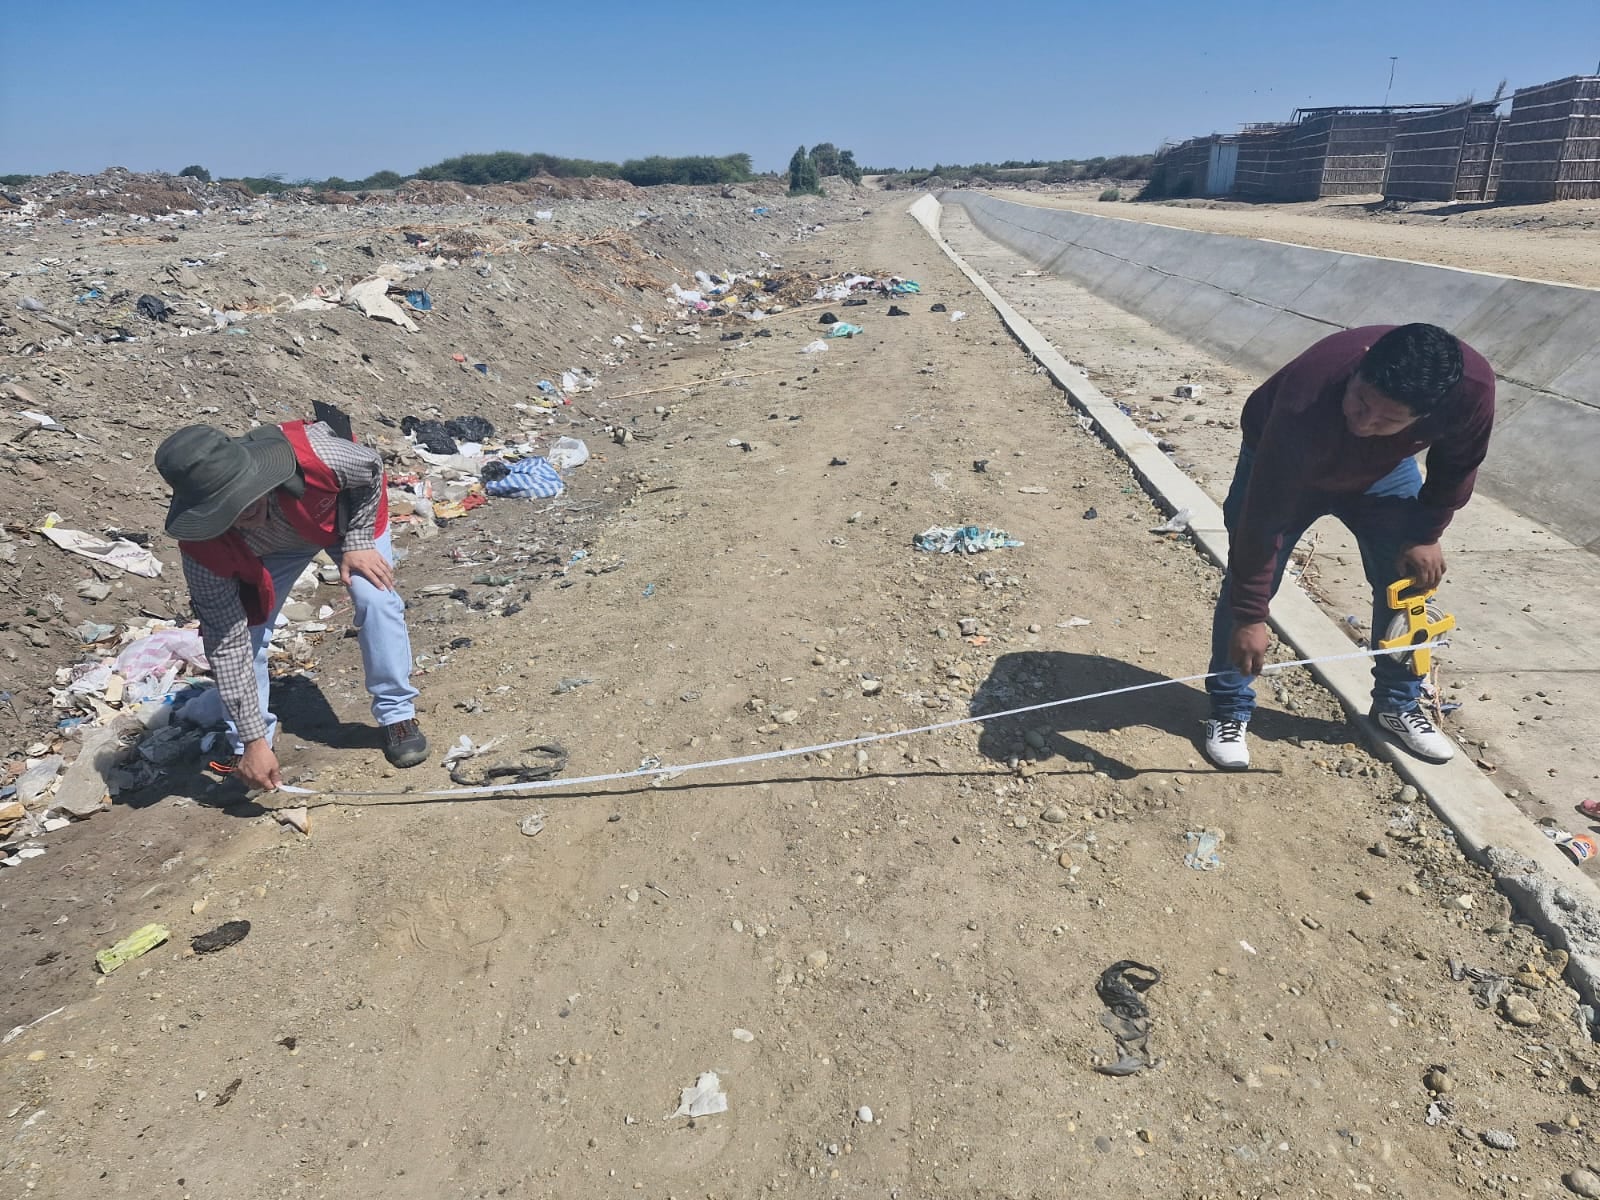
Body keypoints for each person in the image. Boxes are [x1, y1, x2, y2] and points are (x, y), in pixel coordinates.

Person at [1203, 323, 1494, 771]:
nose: (1364, 422)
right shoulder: (1307, 396)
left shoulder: (1471, 392)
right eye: (1360, 402)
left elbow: (1458, 465)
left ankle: (1396, 703)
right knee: (1254, 573)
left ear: (1425, 416)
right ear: (1360, 366)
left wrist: (1426, 533)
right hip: (1287, 466)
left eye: (1387, 420)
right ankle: (1228, 707)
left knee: (1408, 583)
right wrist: (1250, 616)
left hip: (1383, 472)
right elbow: (1260, 525)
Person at [155, 419, 428, 790]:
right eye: (226, 507)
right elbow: (227, 643)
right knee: (248, 634)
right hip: (270, 549)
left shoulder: (319, 457)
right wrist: (252, 739)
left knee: (375, 598)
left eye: (245, 494)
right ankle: (251, 750)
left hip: (342, 522)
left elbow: (372, 469)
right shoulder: (204, 551)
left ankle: (397, 714)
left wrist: (360, 540)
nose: (243, 510)